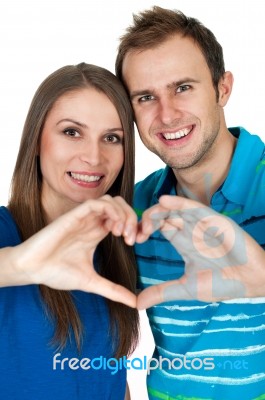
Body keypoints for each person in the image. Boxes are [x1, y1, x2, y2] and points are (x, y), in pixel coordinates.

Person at [116, 6, 265, 400]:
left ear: (222, 88)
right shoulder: (133, 208)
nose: (167, 115)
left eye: (183, 87)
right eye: (146, 97)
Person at [0, 62, 139, 400]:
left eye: (111, 138)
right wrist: (19, 264)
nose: (93, 156)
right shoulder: (6, 233)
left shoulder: (117, 249)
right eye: (72, 132)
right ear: (36, 140)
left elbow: (111, 378)